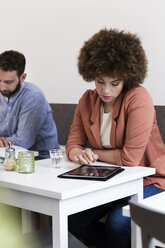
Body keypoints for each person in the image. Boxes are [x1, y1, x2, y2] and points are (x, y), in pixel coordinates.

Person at [66, 28, 165, 248]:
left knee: (118, 224)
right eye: (100, 81)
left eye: (114, 83)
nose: (106, 90)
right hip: (111, 181)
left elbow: (130, 159)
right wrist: (78, 153)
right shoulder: (87, 100)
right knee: (73, 218)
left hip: (151, 181)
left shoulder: (139, 98)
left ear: (128, 77)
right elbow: (73, 144)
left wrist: (94, 153)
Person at [0, 50, 59, 159]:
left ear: (23, 77)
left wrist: (3, 141)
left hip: (39, 160)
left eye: (8, 82)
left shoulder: (33, 96)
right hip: (6, 157)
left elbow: (22, 142)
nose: (2, 87)